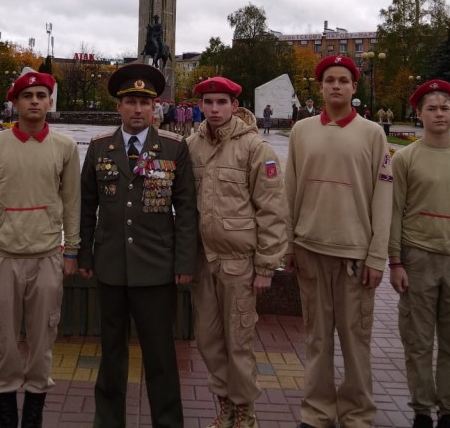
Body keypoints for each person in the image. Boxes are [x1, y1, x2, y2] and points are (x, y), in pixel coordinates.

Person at [79, 63, 198, 428]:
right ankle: (108, 422)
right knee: (112, 354)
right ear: (119, 106)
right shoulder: (100, 148)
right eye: (130, 101)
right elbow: (86, 206)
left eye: (144, 103)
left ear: (155, 108)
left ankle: (167, 422)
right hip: (112, 266)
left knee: (160, 356)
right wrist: (84, 254)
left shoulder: (174, 148)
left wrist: (184, 263)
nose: (137, 110)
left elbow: (187, 209)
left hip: (156, 268)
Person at [283, 55, 393, 428]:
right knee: (317, 340)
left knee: (355, 342)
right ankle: (316, 413)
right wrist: (288, 244)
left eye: (343, 80)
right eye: (329, 80)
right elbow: (290, 189)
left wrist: (377, 256)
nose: (336, 86)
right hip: (311, 248)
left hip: (355, 256)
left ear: (353, 88)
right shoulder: (302, 131)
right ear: (321, 86)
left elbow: (383, 197)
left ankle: (357, 415)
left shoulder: (373, 133)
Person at [0, 71, 80, 428]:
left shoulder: (64, 147)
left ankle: (33, 415)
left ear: (50, 102)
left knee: (42, 339)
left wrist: (72, 250)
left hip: (47, 256)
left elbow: (72, 203)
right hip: (3, 256)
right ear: (15, 103)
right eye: (27, 95)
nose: (34, 101)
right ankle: (6, 418)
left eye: (41, 95)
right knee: (2, 338)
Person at [187, 77, 288, 428]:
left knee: (239, 340)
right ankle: (225, 405)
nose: (214, 109)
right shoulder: (191, 146)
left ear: (234, 105)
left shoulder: (256, 149)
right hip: (204, 261)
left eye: (221, 102)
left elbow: (273, 211)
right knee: (209, 340)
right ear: (201, 105)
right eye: (209, 102)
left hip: (238, 264)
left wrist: (266, 266)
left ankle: (246, 411)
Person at [389, 80, 450, 428]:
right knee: (417, 340)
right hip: (418, 258)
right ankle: (421, 409)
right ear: (419, 114)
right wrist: (396, 262)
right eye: (431, 108)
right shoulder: (405, 158)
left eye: (445, 108)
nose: (439, 114)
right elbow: (395, 212)